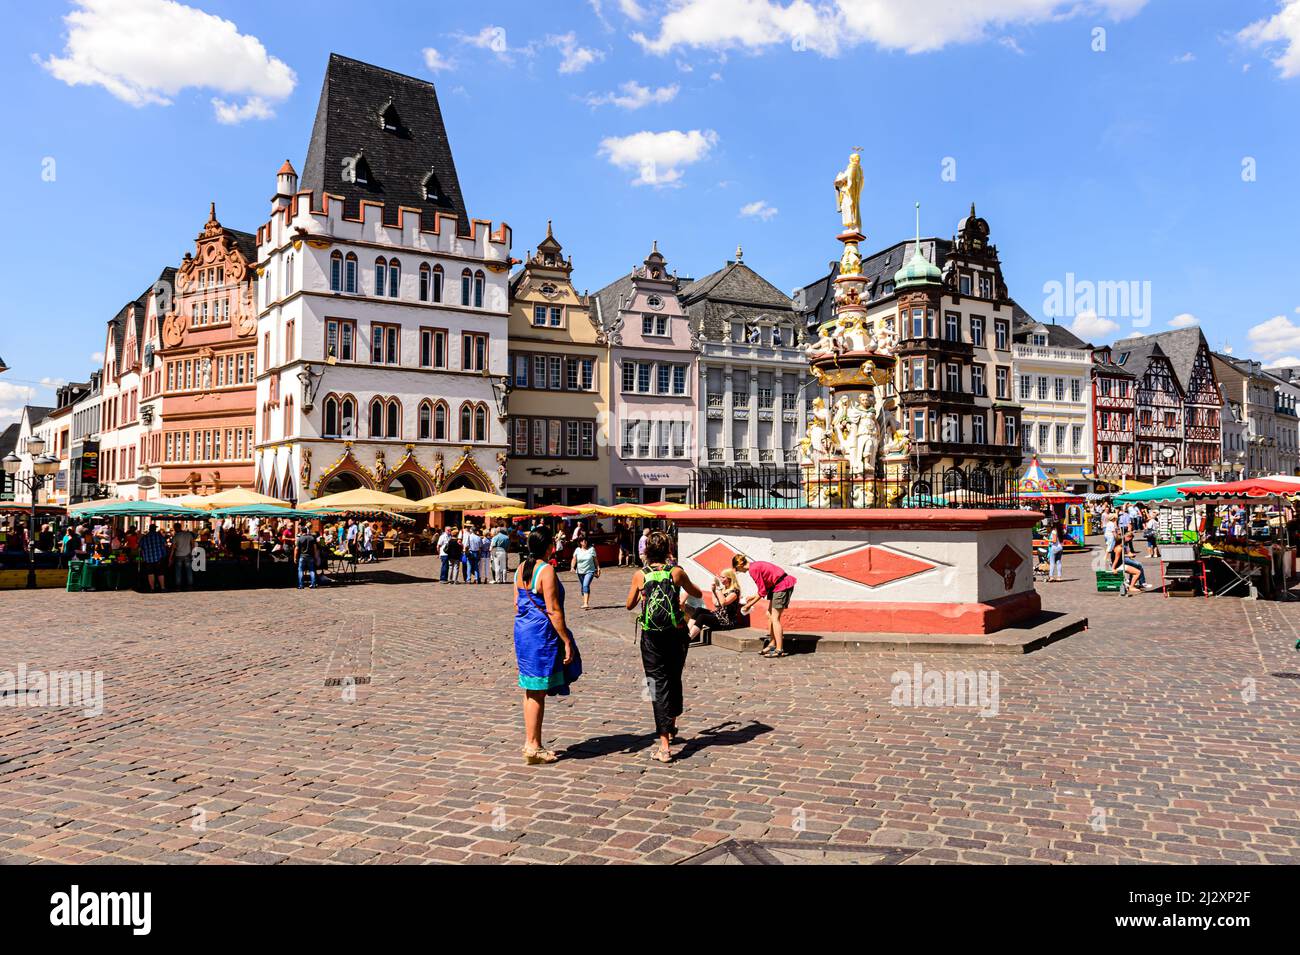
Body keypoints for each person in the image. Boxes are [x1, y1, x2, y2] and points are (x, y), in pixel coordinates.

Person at [626, 531, 702, 763]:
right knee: (674, 678)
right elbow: (697, 593)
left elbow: (629, 605)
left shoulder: (641, 575)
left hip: (651, 638)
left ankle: (665, 746)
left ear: (646, 551)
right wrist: (679, 598)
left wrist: (643, 595)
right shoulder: (676, 572)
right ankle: (672, 726)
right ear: (669, 549)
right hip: (676, 633)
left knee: (655, 685)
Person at [512, 528, 581, 765]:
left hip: (523, 630)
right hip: (541, 633)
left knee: (531, 688)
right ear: (550, 546)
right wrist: (566, 640)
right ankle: (533, 745)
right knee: (537, 690)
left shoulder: (521, 569)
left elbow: (516, 603)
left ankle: (532, 741)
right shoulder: (547, 570)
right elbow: (553, 610)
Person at [734, 554, 797, 658]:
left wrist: (747, 606)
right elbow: (763, 588)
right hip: (776, 586)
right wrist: (751, 597)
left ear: (740, 565)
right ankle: (772, 644)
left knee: (775, 618)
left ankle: (779, 649)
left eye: (737, 569)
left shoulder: (752, 570)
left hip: (781, 586)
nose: (738, 571)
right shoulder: (755, 566)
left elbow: (762, 592)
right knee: (769, 615)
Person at [687, 568, 743, 642]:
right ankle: (685, 633)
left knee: (702, 617)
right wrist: (713, 591)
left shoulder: (735, 591)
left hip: (726, 621)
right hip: (718, 615)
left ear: (730, 579)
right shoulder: (723, 589)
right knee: (699, 610)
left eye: (723, 577)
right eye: (720, 577)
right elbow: (716, 604)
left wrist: (718, 589)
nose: (721, 579)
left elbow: (723, 603)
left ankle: (687, 640)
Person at [572, 537, 600, 610]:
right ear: (580, 542)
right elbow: (574, 559)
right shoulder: (577, 550)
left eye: (586, 541)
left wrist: (598, 568)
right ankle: (584, 601)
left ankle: (585, 603)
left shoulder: (591, 549)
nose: (585, 542)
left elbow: (595, 559)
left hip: (590, 570)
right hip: (580, 571)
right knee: (583, 586)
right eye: (583, 541)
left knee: (585, 585)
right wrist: (572, 567)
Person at [138, 525, 168, 593]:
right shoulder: (159, 536)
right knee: (160, 573)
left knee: (150, 573)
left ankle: (152, 588)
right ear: (155, 529)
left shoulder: (144, 537)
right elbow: (165, 544)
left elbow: (139, 547)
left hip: (148, 559)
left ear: (149, 529)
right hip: (159, 558)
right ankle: (162, 588)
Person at [171, 525, 196, 591]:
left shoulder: (176, 536)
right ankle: (190, 586)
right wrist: (191, 552)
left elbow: (173, 548)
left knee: (178, 571)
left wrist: (170, 557)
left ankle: (178, 586)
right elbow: (193, 544)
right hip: (187, 554)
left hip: (178, 555)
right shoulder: (188, 534)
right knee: (189, 571)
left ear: (176, 528)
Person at [295, 522, 319, 589]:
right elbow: (315, 548)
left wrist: (295, 557)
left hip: (302, 556)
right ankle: (313, 584)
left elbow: (296, 549)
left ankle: (301, 585)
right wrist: (316, 557)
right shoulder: (312, 538)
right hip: (310, 556)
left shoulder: (300, 538)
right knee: (312, 570)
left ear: (301, 531)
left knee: (300, 570)